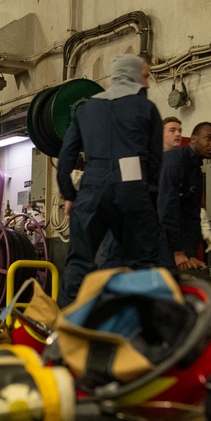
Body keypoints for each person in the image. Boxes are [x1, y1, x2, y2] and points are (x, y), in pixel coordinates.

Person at [56, 54, 163, 306]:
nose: (146, 84)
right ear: (134, 75)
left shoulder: (85, 108)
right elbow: (156, 162)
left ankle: (64, 329)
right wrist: (148, 198)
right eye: (145, 77)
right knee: (142, 264)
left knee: (79, 262)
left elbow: (65, 159)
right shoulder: (146, 108)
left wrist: (70, 195)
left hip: (92, 188)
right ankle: (139, 331)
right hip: (133, 187)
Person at [97, 114, 185, 269]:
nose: (178, 134)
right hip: (125, 222)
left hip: (155, 227)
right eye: (172, 130)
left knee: (162, 272)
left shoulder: (177, 164)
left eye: (179, 130)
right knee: (112, 268)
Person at [158, 122, 211, 273]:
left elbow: (193, 215)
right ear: (193, 139)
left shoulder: (197, 172)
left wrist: (191, 254)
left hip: (171, 235)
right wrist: (177, 251)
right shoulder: (174, 161)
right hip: (154, 231)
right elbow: (167, 208)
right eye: (208, 138)